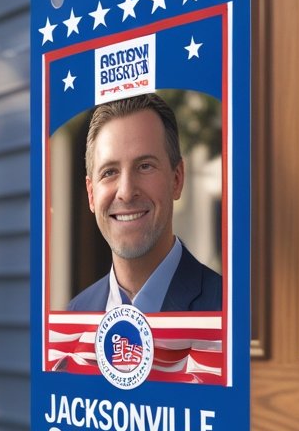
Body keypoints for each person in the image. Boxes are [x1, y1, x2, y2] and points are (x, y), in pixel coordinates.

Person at [68, 93, 222, 312]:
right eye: (109, 172)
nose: (127, 192)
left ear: (176, 179)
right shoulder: (76, 314)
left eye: (145, 166)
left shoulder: (226, 312)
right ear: (91, 194)